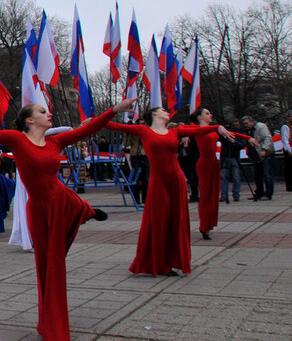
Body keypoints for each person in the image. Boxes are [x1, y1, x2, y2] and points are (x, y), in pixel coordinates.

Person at [0, 98, 136, 341]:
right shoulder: (18, 139)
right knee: (48, 268)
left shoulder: (55, 141)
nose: (49, 114)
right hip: (40, 211)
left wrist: (115, 111)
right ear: (29, 120)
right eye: (43, 111)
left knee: (57, 261)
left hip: (61, 199)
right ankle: (50, 323)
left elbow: (88, 129)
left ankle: (84, 210)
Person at [108, 107, 234, 277]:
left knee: (177, 220)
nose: (167, 112)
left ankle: (173, 261)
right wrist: (99, 117)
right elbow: (114, 126)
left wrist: (217, 127)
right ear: (154, 114)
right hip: (159, 182)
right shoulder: (143, 130)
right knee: (159, 220)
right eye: (163, 110)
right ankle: (159, 262)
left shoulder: (175, 132)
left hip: (177, 180)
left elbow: (199, 130)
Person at [189, 108, 253, 240]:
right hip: (205, 164)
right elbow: (184, 129)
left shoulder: (213, 129)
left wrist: (249, 138)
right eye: (207, 113)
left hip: (213, 163)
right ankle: (203, 226)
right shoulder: (197, 129)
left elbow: (231, 133)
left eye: (210, 113)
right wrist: (218, 127)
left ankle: (208, 224)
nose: (210, 114)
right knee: (206, 196)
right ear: (200, 117)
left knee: (213, 195)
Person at [241, 115, 275, 200]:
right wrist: (249, 152)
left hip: (264, 154)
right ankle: (259, 192)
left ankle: (268, 194)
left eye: (246, 123)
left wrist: (265, 149)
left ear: (251, 122)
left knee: (267, 174)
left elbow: (267, 138)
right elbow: (249, 142)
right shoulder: (248, 130)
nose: (245, 125)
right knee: (257, 175)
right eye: (244, 124)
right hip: (255, 154)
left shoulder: (261, 126)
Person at [219, 120, 247, 204]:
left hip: (234, 156)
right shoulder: (227, 133)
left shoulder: (241, 133)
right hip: (225, 156)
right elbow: (221, 140)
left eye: (237, 124)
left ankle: (236, 194)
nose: (235, 125)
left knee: (236, 176)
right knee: (223, 177)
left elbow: (242, 144)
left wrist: (234, 141)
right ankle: (224, 195)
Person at [281, 111, 291, 192]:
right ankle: (289, 185)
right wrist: (289, 149)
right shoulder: (285, 127)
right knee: (289, 168)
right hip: (289, 149)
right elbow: (285, 139)